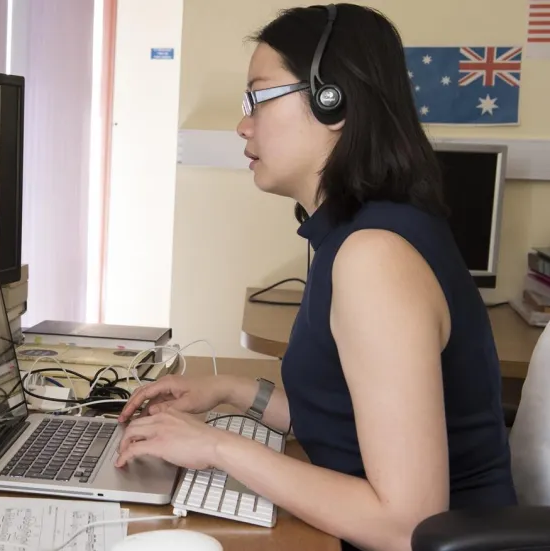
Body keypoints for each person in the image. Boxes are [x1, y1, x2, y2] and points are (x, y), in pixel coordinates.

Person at [113, 4, 517, 551]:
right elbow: (346, 421)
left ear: (334, 103)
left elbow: (408, 526)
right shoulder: (361, 231)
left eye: (258, 97)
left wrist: (216, 449)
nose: (242, 123)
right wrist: (228, 390)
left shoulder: (374, 257)